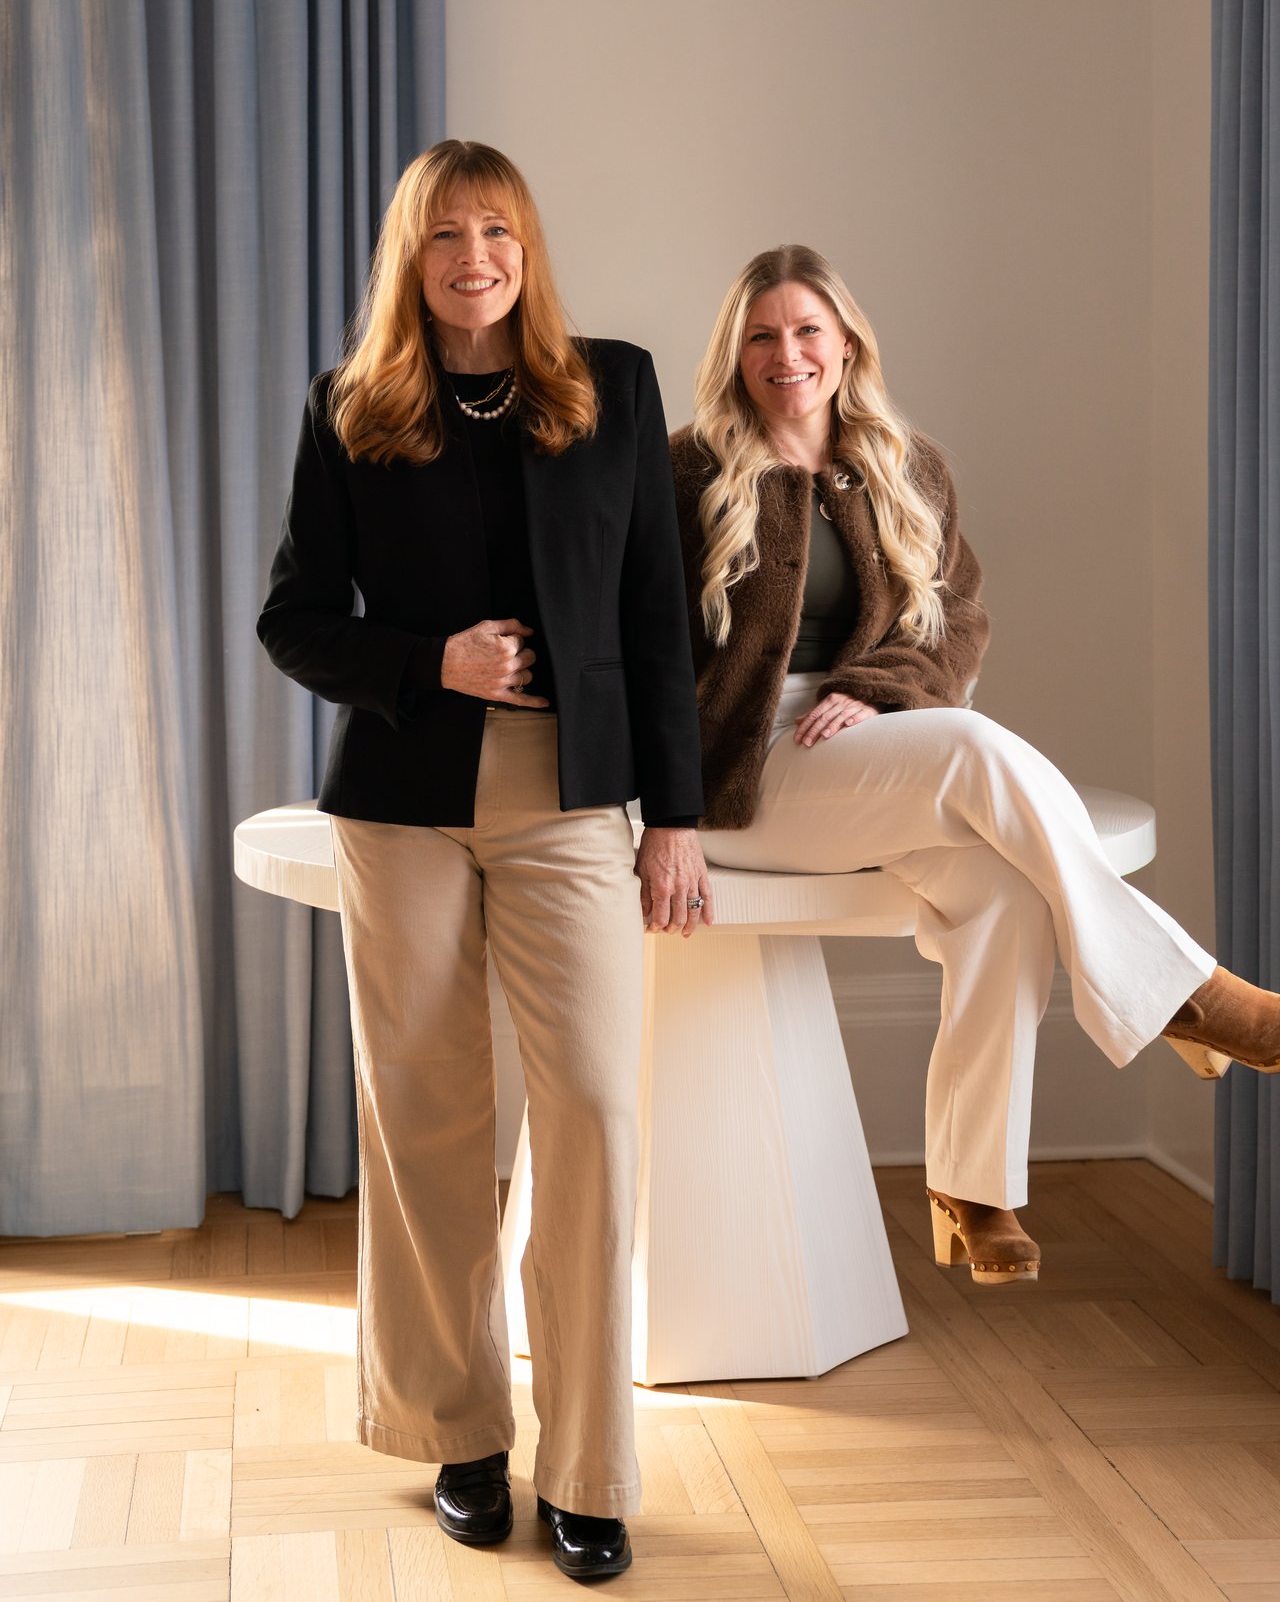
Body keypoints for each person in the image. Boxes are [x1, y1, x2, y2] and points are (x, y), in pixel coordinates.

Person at [257, 140, 710, 1581]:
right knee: (426, 1112)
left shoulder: (611, 387)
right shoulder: (352, 408)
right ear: (413, 255)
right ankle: (458, 1432)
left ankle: (588, 1468)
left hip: (571, 797)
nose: (474, 258)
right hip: (402, 800)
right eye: (446, 235)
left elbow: (655, 613)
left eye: (497, 231)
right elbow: (293, 618)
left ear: (528, 247)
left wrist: (675, 816)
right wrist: (427, 662)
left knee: (591, 1109)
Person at [670, 243, 1280, 1284]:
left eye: (808, 330)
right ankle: (1183, 991)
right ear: (735, 354)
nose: (786, 353)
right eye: (761, 336)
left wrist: (879, 689)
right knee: (971, 745)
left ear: (847, 343)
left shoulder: (910, 466)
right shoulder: (685, 472)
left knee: (1004, 892)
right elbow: (638, 648)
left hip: (876, 741)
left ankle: (973, 1187)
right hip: (740, 768)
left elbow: (957, 621)